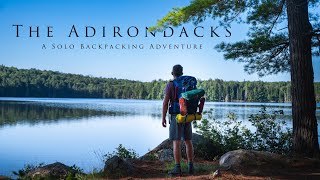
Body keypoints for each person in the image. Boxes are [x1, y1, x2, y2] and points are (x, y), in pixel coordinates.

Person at [162, 64, 194, 176]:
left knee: (176, 141)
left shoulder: (170, 85)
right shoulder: (187, 83)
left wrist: (163, 117)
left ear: (172, 73)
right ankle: (191, 167)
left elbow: (165, 103)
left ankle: (177, 168)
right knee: (188, 141)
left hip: (176, 115)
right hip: (187, 115)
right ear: (182, 72)